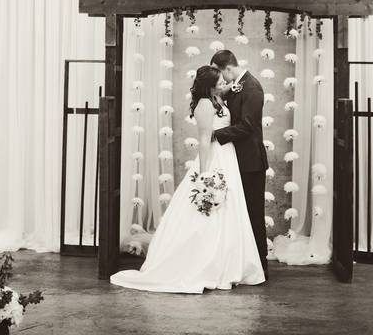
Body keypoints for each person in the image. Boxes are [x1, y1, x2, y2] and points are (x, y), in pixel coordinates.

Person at [109, 65, 265, 293]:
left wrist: (234, 86)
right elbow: (204, 140)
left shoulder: (217, 98)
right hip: (214, 158)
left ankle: (229, 263)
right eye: (220, 81)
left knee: (231, 210)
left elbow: (230, 92)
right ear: (210, 85)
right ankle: (206, 264)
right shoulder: (204, 105)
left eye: (224, 79)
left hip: (227, 156)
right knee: (210, 212)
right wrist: (204, 175)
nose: (224, 83)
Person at [209, 49, 270, 277]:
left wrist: (215, 135)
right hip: (236, 160)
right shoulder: (238, 84)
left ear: (227, 68)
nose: (221, 78)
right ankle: (244, 260)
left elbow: (247, 126)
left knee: (253, 212)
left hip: (250, 161)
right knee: (239, 213)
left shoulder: (252, 87)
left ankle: (260, 263)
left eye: (219, 72)